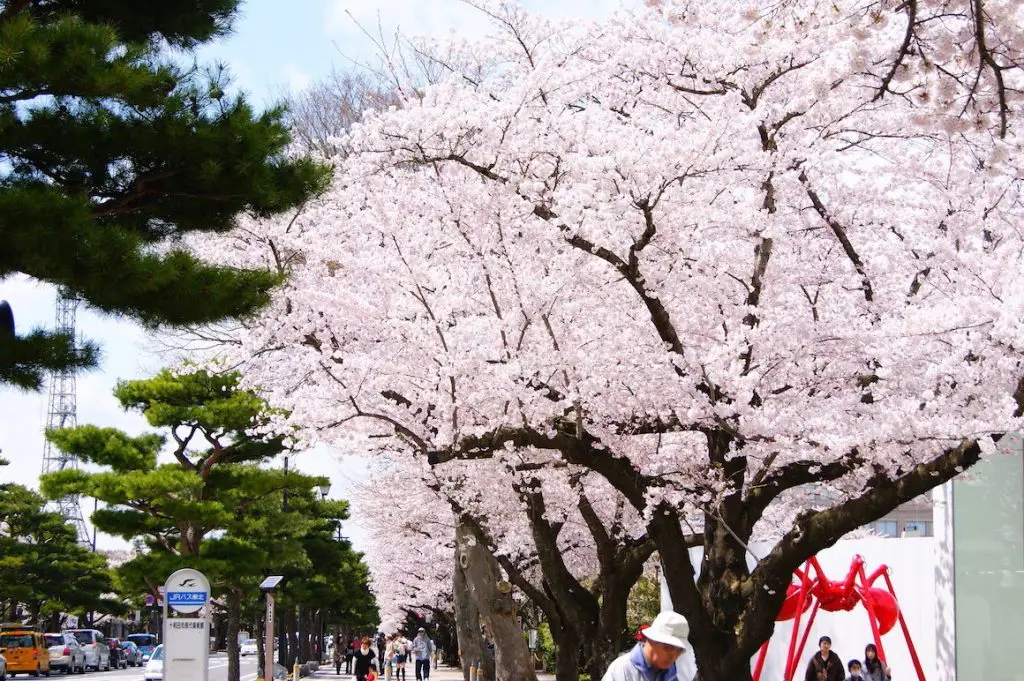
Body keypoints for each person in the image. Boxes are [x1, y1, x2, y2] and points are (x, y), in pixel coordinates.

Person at [601, 610, 689, 681]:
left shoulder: (672, 673)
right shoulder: (623, 669)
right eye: (669, 647)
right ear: (651, 640)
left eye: (679, 650)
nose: (673, 655)